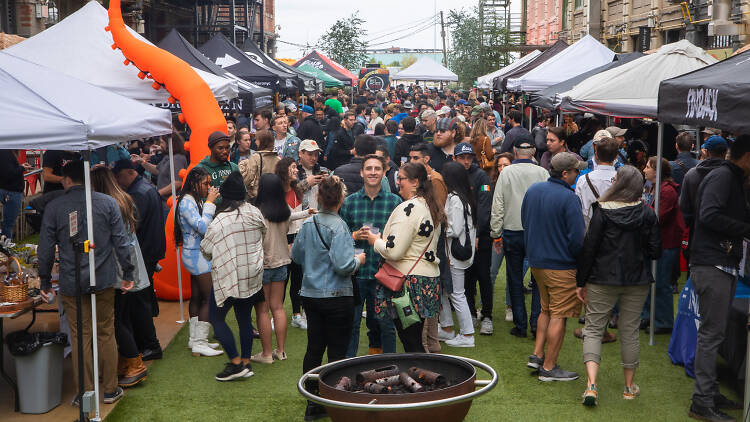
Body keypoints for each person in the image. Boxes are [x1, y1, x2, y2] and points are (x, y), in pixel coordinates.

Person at [38, 160, 133, 405]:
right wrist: (128, 273)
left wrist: (45, 280)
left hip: (71, 281)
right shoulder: (108, 203)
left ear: (67, 180)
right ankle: (111, 389)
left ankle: (85, 394)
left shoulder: (55, 206)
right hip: (103, 278)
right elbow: (122, 243)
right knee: (106, 332)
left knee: (81, 336)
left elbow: (46, 249)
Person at [577, 166, 661, 406]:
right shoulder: (647, 214)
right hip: (636, 279)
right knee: (629, 331)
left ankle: (591, 385)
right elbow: (656, 250)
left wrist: (580, 282)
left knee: (593, 329)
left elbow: (589, 248)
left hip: (602, 277)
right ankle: (628, 386)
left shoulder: (602, 211)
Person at [687, 135, 750, 422]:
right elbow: (708, 214)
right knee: (711, 336)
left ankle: (709, 394)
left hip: (717, 263)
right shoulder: (723, 177)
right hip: (713, 264)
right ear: (746, 156)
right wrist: (743, 228)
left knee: (714, 333)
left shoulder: (728, 177)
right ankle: (702, 401)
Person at [291, 176, 364, 421]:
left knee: (314, 348)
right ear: (341, 199)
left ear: (319, 197)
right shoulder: (340, 227)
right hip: (337, 296)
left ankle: (312, 401)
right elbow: (344, 266)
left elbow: (297, 256)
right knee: (336, 352)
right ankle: (332, 400)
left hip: (311, 294)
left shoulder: (309, 224)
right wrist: (359, 260)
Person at [521, 152, 587, 382]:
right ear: (565, 173)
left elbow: (525, 222)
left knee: (546, 310)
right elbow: (578, 239)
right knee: (559, 314)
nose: (578, 174)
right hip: (561, 265)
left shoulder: (533, 190)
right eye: (576, 171)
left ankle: (538, 355)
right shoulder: (569, 198)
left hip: (537, 262)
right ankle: (548, 367)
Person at [366, 162, 443, 353]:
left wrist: (374, 240)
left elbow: (393, 251)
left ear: (415, 182)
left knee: (412, 343)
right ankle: (421, 378)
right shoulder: (431, 205)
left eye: (401, 178)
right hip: (427, 280)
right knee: (414, 341)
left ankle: (420, 379)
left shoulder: (410, 208)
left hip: (408, 284)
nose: (397, 182)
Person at [200, 172, 267, 381]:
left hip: (229, 276)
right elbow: (263, 233)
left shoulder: (220, 221)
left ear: (225, 196)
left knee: (216, 318)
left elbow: (206, 248)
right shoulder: (255, 212)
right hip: (252, 274)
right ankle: (246, 362)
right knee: (244, 318)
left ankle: (236, 364)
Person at [90, 167, 151, 388]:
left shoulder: (107, 204)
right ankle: (127, 362)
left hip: (117, 267)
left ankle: (134, 364)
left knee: (115, 320)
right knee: (121, 317)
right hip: (128, 263)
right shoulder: (124, 198)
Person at [340, 154, 402, 357]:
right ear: (361, 172)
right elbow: (339, 239)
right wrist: (354, 235)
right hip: (356, 274)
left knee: (385, 324)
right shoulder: (350, 202)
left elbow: (401, 238)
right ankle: (347, 368)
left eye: (377, 169)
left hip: (384, 273)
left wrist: (380, 239)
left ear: (384, 172)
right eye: (369, 168)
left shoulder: (395, 202)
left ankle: (391, 367)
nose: (373, 172)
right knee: (352, 325)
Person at [254, 172, 315, 364]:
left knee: (262, 310)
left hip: (263, 265)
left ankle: (265, 354)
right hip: (282, 262)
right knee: (278, 307)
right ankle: (280, 351)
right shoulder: (283, 209)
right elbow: (293, 216)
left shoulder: (257, 212)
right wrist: (307, 212)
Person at [490, 136, 548, 338]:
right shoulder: (543, 173)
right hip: (536, 232)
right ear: (532, 152)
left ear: (515, 152)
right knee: (538, 279)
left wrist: (496, 233)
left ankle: (521, 323)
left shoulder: (507, 173)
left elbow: (498, 205)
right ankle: (535, 321)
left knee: (514, 277)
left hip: (513, 230)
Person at [111, 159, 165, 361]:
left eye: (119, 177)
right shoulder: (145, 187)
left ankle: (149, 344)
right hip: (149, 250)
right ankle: (146, 343)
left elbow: (133, 227)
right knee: (141, 299)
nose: (118, 182)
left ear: (127, 173)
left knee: (139, 301)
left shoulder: (137, 193)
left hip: (144, 252)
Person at [174, 167, 224, 357]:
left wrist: (207, 202)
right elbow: (203, 227)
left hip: (194, 254)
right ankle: (200, 342)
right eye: (205, 184)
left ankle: (194, 339)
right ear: (194, 183)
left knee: (197, 296)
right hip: (197, 256)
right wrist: (210, 203)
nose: (209, 187)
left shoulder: (190, 200)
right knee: (210, 298)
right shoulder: (187, 202)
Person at [640, 157, 685, 334]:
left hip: (665, 243)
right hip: (660, 243)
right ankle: (651, 316)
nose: (644, 170)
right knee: (654, 282)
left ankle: (664, 321)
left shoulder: (666, 191)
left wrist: (641, 207)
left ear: (657, 171)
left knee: (661, 284)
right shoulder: (659, 189)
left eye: (647, 167)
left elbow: (658, 218)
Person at [454, 143, 494, 334]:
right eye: (462, 157)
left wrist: (477, 233)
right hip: (462, 237)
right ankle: (470, 312)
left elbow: (485, 208)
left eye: (469, 157)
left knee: (484, 276)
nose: (466, 161)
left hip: (481, 236)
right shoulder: (454, 177)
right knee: (467, 277)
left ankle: (487, 316)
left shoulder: (482, 177)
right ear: (455, 159)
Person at [438, 162, 477, 347]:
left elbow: (455, 229)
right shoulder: (464, 197)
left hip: (455, 254)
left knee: (456, 293)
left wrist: (437, 230)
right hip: (457, 254)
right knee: (446, 291)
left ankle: (467, 335)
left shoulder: (455, 199)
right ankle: (447, 328)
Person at [679, 135, 728, 241]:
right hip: (724, 237)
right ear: (725, 153)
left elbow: (684, 208)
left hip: (697, 235)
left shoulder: (691, 174)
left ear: (706, 152)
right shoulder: (731, 176)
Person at [489, 152, 515, 323]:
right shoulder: (491, 184)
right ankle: (486, 306)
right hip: (496, 234)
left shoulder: (516, 185)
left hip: (513, 233)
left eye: (505, 165)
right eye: (499, 165)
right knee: (491, 271)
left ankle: (510, 307)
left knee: (512, 274)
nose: (502, 168)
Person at [575, 137, 620, 228]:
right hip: (615, 231)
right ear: (616, 157)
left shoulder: (583, 180)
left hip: (589, 229)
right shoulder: (623, 180)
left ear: (596, 155)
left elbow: (579, 209)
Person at [131, 134, 188, 203]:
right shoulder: (168, 156)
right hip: (164, 201)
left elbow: (178, 183)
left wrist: (158, 193)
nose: (160, 145)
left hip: (170, 203)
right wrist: (141, 161)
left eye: (162, 142)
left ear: (170, 143)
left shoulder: (178, 158)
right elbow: (157, 170)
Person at [239, 129, 281, 200]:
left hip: (259, 195)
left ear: (262, 141)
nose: (255, 142)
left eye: (257, 139)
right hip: (274, 195)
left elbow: (248, 178)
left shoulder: (256, 156)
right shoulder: (278, 158)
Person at [0, 149, 30, 239]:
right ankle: (6, 247)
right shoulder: (5, 152)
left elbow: (7, 170)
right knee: (9, 224)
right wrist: (22, 168)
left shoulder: (5, 152)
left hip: (10, 192)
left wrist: (21, 166)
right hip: (11, 192)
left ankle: (5, 245)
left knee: (8, 223)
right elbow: (9, 173)